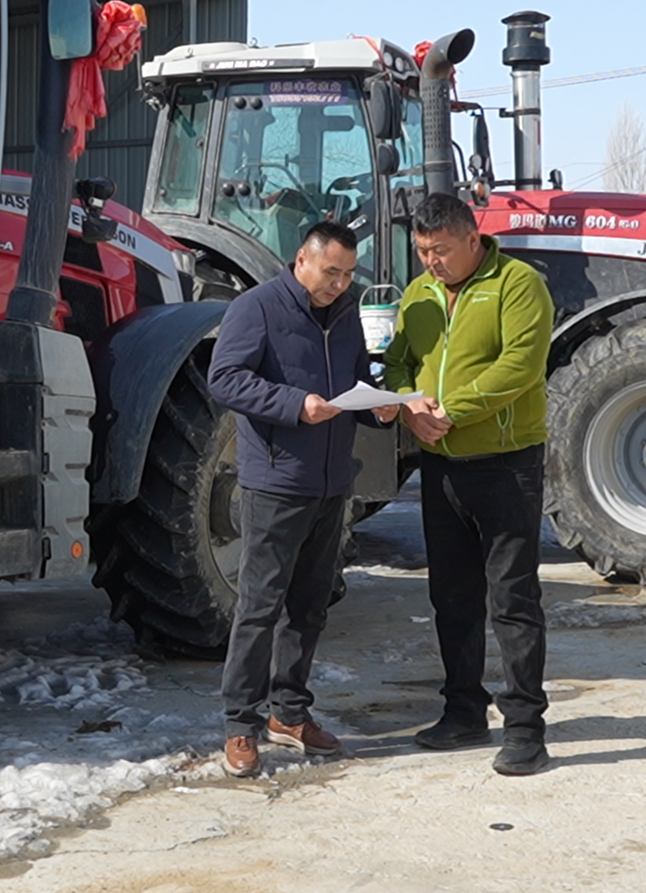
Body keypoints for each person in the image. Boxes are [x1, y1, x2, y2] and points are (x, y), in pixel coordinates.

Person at [207, 220, 398, 777]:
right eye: (331, 272)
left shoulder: (346, 314)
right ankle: (240, 724)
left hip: (332, 482)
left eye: (348, 274)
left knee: (310, 606)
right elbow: (225, 379)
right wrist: (296, 405)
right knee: (260, 607)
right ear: (302, 261)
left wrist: (380, 408)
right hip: (276, 482)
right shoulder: (257, 308)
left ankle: (289, 713)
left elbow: (356, 382)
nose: (339, 284)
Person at [383, 193, 556, 776]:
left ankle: (526, 728)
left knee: (513, 599)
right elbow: (399, 362)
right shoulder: (418, 294)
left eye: (440, 250)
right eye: (422, 251)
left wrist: (451, 410)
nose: (431, 262)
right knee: (452, 597)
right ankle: (462, 711)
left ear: (473, 239)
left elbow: (521, 365)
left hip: (506, 463)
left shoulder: (518, 285)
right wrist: (408, 404)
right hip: (440, 465)